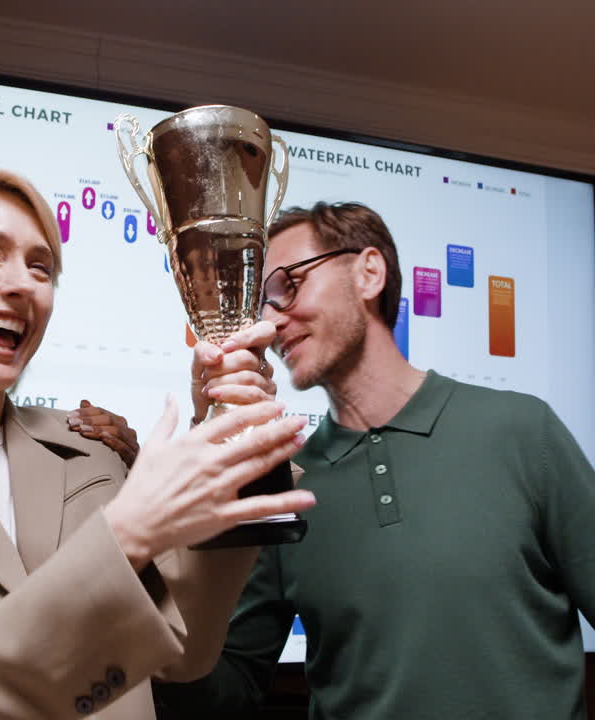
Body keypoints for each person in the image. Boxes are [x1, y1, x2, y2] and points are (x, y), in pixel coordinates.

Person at [0, 168, 316, 719]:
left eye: (40, 266)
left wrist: (227, 433)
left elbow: (183, 653)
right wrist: (121, 542)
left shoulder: (90, 451)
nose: (24, 283)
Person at [154, 201, 595, 719]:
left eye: (288, 285)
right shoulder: (283, 485)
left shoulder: (522, 430)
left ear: (369, 273)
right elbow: (219, 690)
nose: (271, 323)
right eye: (263, 306)